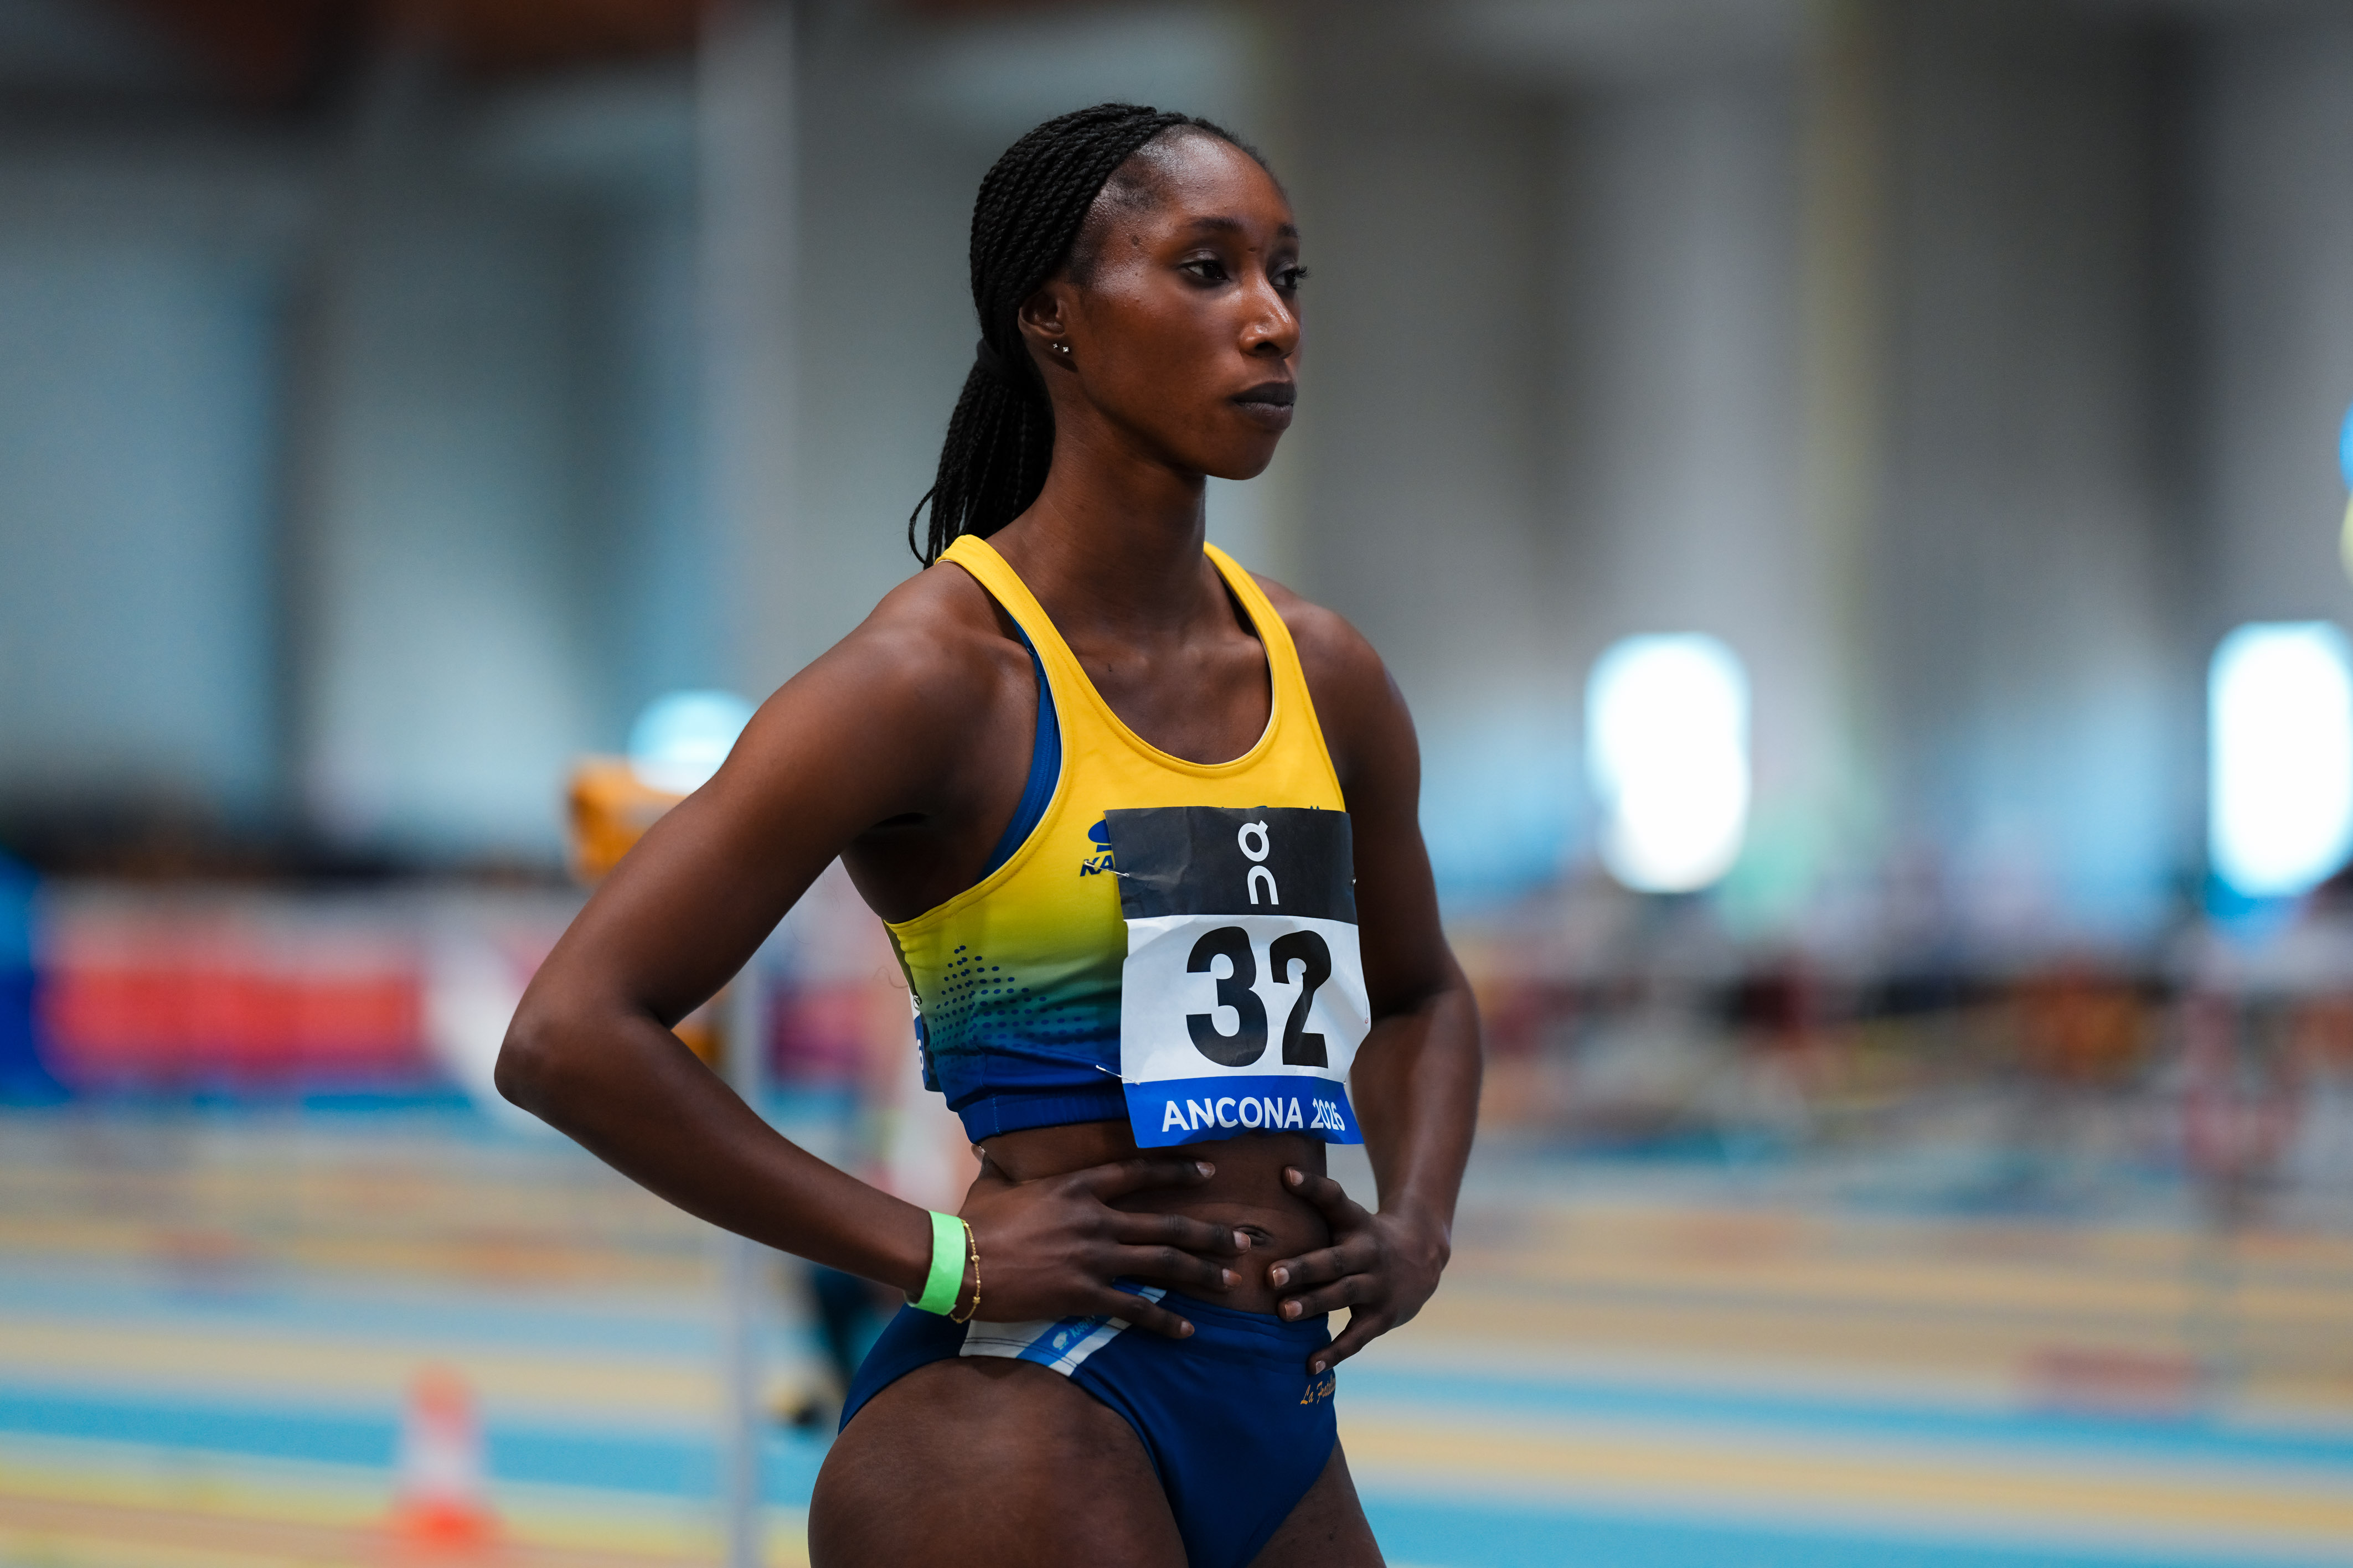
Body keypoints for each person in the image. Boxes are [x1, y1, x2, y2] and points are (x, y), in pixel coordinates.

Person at [497, 102, 1481, 1568]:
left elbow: (1420, 993)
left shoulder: (1324, 674)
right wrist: (937, 1253)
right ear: (1052, 314)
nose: (1273, 320)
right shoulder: (933, 679)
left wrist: (1417, 1221)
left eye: (1285, 276)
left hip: (1277, 1410)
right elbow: (567, 1035)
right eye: (1206, 269)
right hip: (1022, 1413)